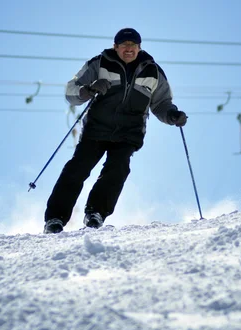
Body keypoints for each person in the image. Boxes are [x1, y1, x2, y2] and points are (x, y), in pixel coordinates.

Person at [43, 28, 187, 234]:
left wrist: (172, 115)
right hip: (97, 129)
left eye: (133, 45)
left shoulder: (153, 72)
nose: (129, 49)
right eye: (124, 45)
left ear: (139, 47)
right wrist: (89, 89)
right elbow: (71, 90)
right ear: (116, 47)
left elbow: (162, 103)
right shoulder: (100, 63)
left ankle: (96, 213)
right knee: (77, 169)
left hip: (129, 133)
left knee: (118, 169)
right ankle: (55, 219)